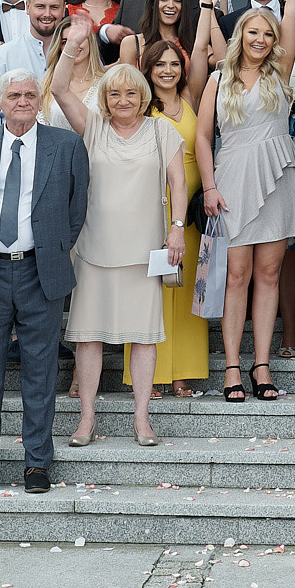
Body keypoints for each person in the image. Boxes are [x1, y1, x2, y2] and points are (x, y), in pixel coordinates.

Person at [0, 68, 90, 495]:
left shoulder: (65, 145)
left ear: (39, 99)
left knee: (40, 371)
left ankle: (37, 464)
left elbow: (76, 209)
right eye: (13, 95)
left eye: (30, 94)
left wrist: (49, 248)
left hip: (40, 271)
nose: (22, 101)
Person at [46, 59, 188, 449]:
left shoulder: (162, 130)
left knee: (143, 338)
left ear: (142, 96)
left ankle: (142, 419)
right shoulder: (93, 128)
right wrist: (73, 44)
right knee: (88, 338)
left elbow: (178, 183)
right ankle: (86, 418)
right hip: (94, 249)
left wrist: (177, 230)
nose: (123, 99)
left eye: (130, 92)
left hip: (145, 252)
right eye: (114, 93)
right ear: (104, 99)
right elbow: (58, 88)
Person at [197, 0, 295, 405]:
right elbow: (201, 136)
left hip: (277, 177)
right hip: (231, 178)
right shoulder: (218, 77)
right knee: (237, 274)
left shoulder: (281, 73)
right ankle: (233, 365)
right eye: (253, 31)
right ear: (240, 35)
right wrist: (209, 186)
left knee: (269, 274)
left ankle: (261, 364)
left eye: (268, 33)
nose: (261, 38)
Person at [127, 37, 212, 396]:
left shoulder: (191, 99)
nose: (167, 70)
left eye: (173, 64)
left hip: (189, 212)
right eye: (159, 64)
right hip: (155, 207)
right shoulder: (143, 107)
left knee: (188, 287)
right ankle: (154, 373)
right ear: (147, 68)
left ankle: (183, 371)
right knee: (155, 291)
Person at [0, 0, 69, 131]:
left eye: (54, 7)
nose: (47, 14)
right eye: (40, 6)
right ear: (27, 7)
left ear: (64, 10)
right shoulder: (4, 54)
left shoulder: (79, 52)